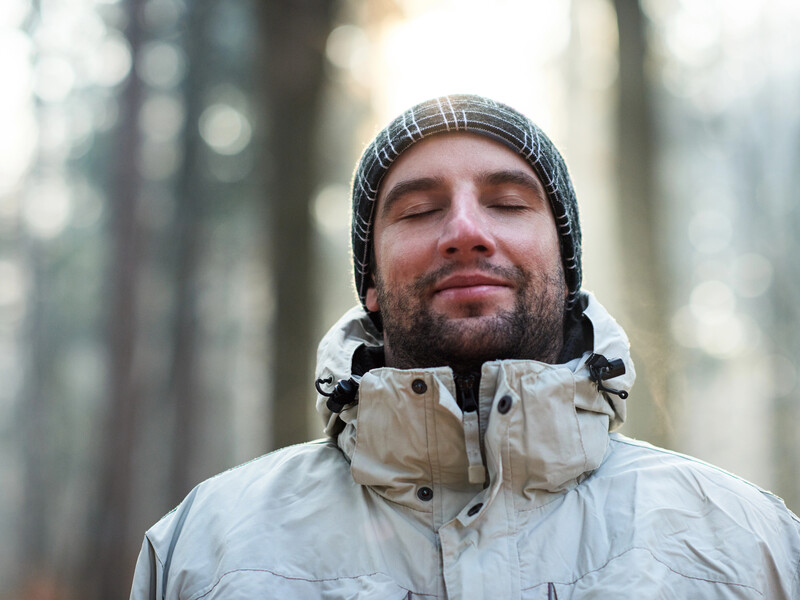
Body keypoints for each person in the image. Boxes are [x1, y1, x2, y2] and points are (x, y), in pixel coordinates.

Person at [130, 94, 800, 599]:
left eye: (508, 202)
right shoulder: (205, 548)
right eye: (419, 210)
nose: (465, 231)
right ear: (370, 285)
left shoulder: (749, 544)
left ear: (566, 268)